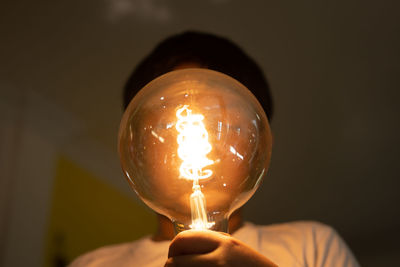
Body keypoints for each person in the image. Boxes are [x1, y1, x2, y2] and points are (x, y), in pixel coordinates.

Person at [70, 31, 360, 267]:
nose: (204, 141)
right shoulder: (95, 263)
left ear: (258, 145)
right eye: (169, 126)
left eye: (230, 126)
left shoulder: (311, 245)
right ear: (136, 147)